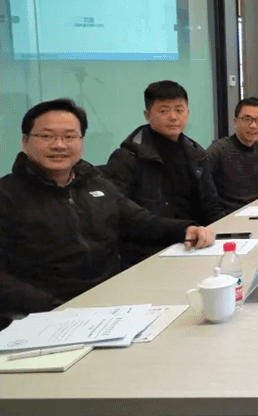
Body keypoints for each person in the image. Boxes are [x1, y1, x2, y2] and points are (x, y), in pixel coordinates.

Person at [0, 99, 214, 325]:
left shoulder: (95, 183)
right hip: (44, 315)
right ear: (25, 141)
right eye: (46, 136)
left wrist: (186, 229)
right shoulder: (7, 195)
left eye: (70, 136)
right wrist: (50, 306)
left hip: (111, 301)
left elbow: (140, 221)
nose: (59, 145)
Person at [103, 80, 225, 266]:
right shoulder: (127, 157)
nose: (173, 117)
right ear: (147, 115)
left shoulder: (196, 154)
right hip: (149, 252)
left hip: (196, 244)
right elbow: (124, 216)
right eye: (164, 111)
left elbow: (212, 206)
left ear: (187, 113)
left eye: (179, 110)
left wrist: (225, 236)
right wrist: (182, 231)